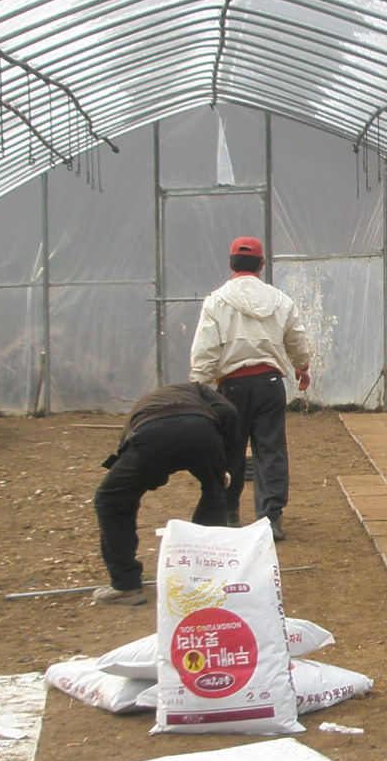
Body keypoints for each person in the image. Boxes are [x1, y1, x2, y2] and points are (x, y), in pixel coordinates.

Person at [189, 234, 314, 542]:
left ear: (231, 264)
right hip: (269, 385)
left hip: (231, 386)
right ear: (261, 264)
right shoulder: (280, 300)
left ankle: (229, 513)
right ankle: (270, 519)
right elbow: (296, 338)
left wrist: (199, 387)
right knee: (270, 449)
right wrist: (301, 365)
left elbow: (205, 348)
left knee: (230, 450)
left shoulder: (217, 300)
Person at [91, 379, 244, 604]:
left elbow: (130, 453)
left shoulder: (145, 404)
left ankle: (126, 585)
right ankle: (206, 577)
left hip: (152, 434)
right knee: (214, 495)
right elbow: (228, 411)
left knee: (112, 500)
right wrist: (223, 464)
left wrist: (151, 478)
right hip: (202, 433)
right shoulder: (198, 389)